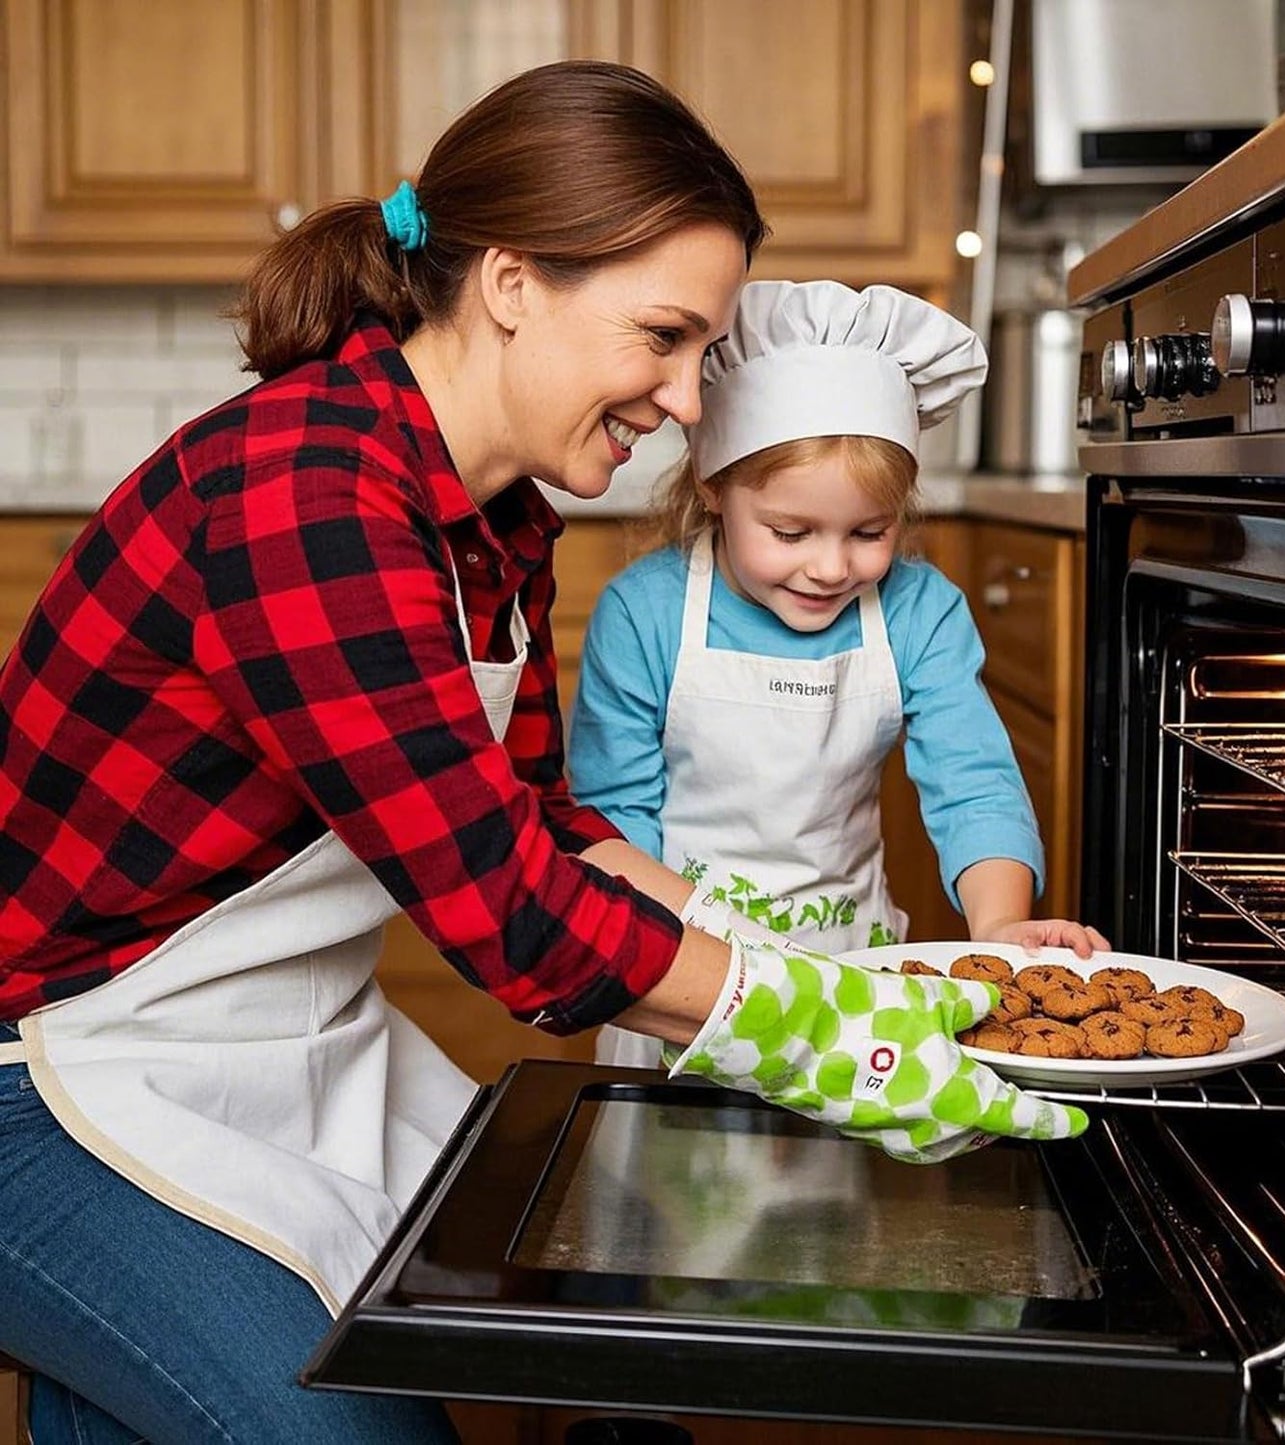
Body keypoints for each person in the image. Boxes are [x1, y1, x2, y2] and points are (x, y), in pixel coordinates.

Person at [0, 63, 1083, 1445]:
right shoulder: (303, 495)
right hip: (54, 1071)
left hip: (270, 1043)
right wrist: (823, 1033)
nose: (693, 402)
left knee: (556, 1316)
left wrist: (790, 964)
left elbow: (537, 818)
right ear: (512, 282)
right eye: (666, 337)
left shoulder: (495, 519)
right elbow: (512, 919)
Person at [569, 279, 1110, 1068]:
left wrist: (997, 929)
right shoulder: (643, 613)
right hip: (682, 983)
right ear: (711, 487)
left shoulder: (918, 612)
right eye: (790, 531)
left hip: (856, 984)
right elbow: (613, 818)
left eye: (868, 531)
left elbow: (974, 782)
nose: (829, 567)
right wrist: (685, 973)